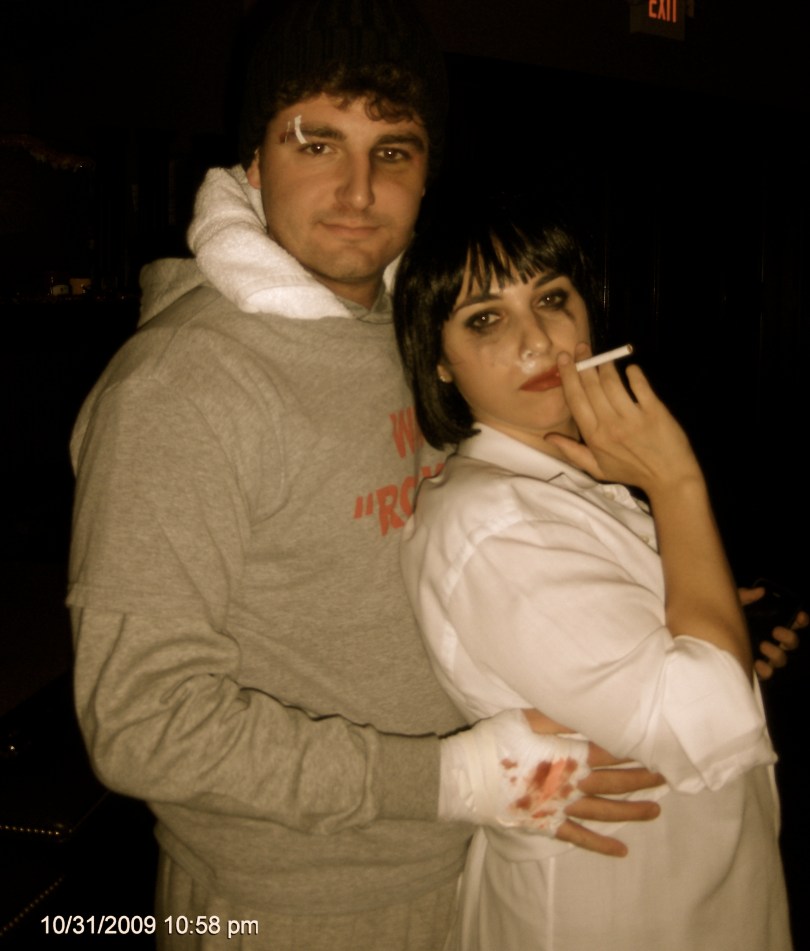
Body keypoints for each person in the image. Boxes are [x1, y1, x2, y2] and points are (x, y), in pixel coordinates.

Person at [66, 3, 673, 949]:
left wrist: (672, 613)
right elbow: (141, 721)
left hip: (479, 859)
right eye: (316, 143)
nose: (357, 189)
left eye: (393, 150)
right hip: (291, 903)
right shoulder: (182, 388)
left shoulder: (418, 335)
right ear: (254, 163)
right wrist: (451, 778)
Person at [393, 195, 796, 950]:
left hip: (691, 883)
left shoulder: (570, 475)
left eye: (551, 299)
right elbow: (706, 722)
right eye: (486, 318)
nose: (538, 340)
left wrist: (728, 634)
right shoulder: (493, 519)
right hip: (607, 907)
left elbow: (662, 663)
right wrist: (676, 481)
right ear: (439, 361)